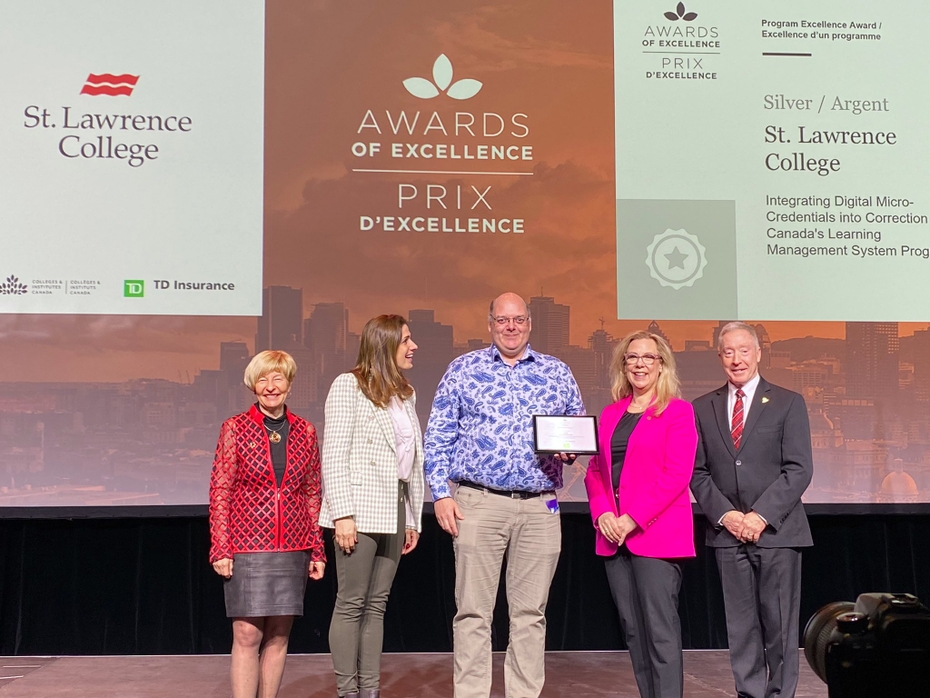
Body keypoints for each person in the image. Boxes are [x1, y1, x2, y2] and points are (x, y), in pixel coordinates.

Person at [425, 292, 584, 698]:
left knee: (531, 614)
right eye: (502, 320)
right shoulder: (463, 369)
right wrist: (440, 494)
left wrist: (570, 449)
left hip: (540, 506)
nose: (510, 327)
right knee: (473, 613)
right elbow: (438, 436)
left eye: (518, 319)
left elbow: (574, 427)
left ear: (529, 323)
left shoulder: (556, 372)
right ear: (490, 324)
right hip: (478, 503)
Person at [691, 322, 813, 698]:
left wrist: (759, 516)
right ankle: (749, 694)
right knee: (741, 628)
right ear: (719, 357)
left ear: (759, 353)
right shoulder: (702, 407)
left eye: (744, 350)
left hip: (778, 533)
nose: (737, 359)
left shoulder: (788, 402)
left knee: (780, 627)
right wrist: (727, 516)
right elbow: (697, 472)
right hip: (727, 535)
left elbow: (799, 469)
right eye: (728, 352)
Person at [584, 331, 697, 698]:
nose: (640, 364)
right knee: (633, 630)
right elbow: (595, 471)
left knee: (660, 631)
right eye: (632, 357)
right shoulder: (611, 413)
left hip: (656, 535)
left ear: (662, 364)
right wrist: (602, 513)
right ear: (623, 364)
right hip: (613, 536)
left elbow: (676, 475)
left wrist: (631, 518)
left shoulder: (678, 411)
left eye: (649, 357)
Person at [208, 350, 326, 698]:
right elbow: (220, 490)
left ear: (289, 383)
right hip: (246, 546)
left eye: (277, 378)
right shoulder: (235, 428)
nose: (270, 386)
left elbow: (312, 492)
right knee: (247, 634)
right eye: (263, 379)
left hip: (293, 546)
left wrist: (317, 549)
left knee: (278, 635)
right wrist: (220, 547)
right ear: (252, 385)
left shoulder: (305, 430)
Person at [320, 315, 426, 698]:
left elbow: (410, 461)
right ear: (384, 344)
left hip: (394, 508)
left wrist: (412, 517)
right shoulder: (348, 386)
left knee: (377, 604)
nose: (413, 347)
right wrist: (342, 514)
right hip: (359, 511)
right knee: (352, 602)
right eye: (406, 340)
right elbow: (334, 455)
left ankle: (370, 690)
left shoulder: (405, 394)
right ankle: (347, 690)